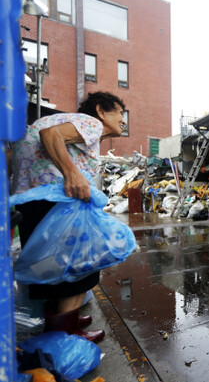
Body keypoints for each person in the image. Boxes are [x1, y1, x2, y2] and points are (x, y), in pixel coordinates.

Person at [11, 91, 127, 342]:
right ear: (101, 111)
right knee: (81, 263)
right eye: (119, 112)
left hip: (32, 201)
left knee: (53, 266)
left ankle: (62, 321)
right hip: (56, 202)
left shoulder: (67, 123)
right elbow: (49, 136)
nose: (123, 120)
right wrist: (73, 174)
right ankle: (66, 336)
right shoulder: (91, 123)